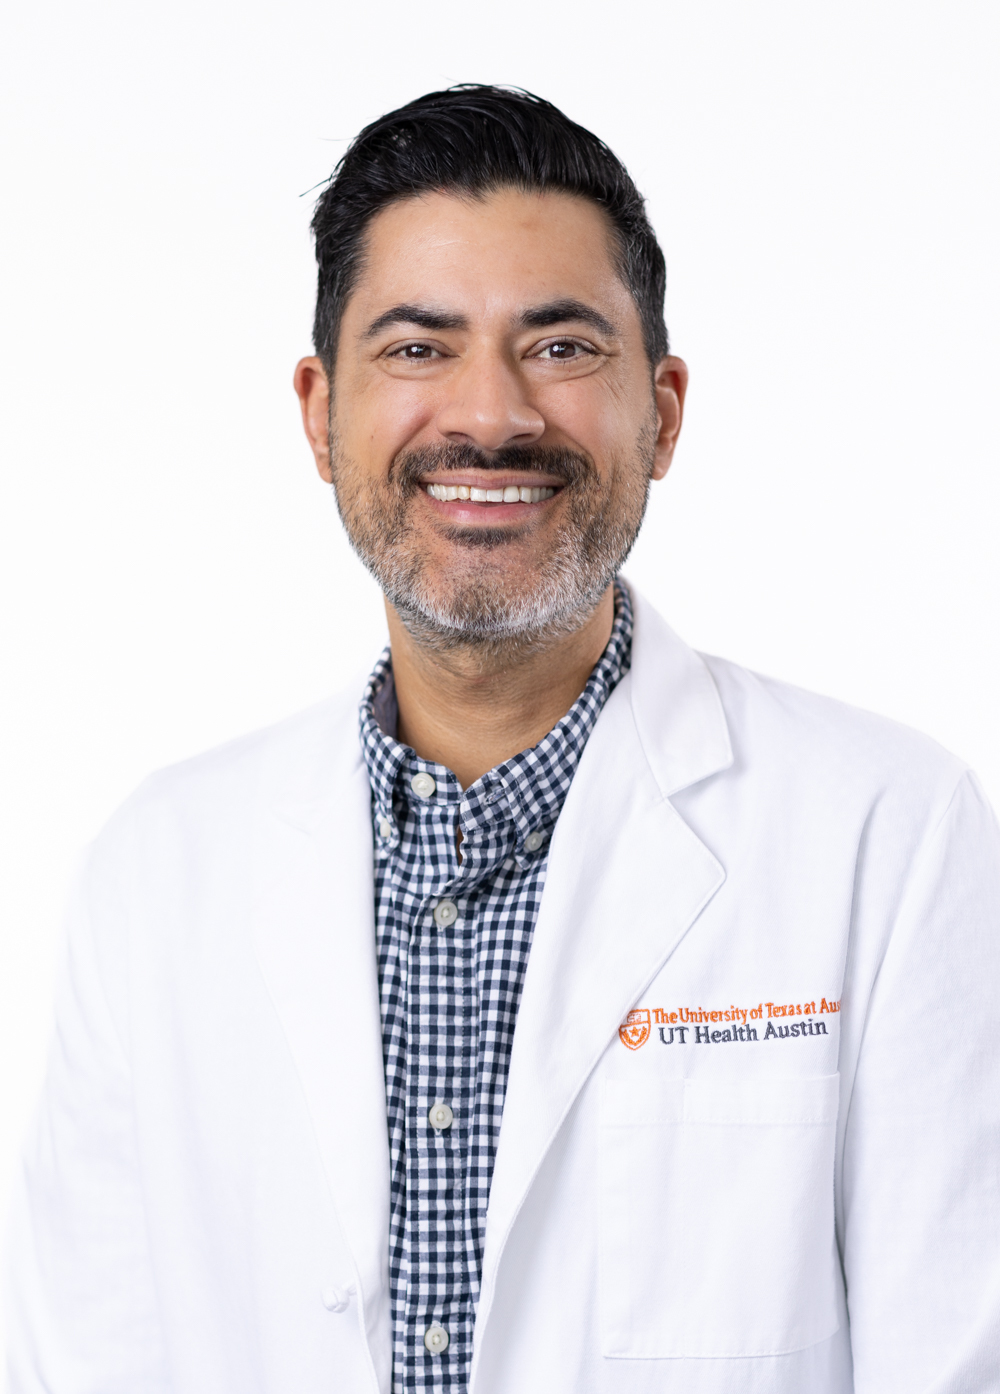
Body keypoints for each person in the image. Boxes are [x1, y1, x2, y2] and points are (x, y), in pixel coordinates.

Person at [6, 84, 1000, 1394]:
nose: (491, 415)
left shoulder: (890, 832)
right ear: (319, 412)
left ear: (664, 410)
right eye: (417, 348)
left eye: (562, 346)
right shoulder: (154, 871)